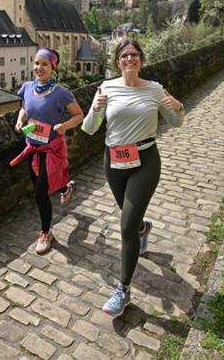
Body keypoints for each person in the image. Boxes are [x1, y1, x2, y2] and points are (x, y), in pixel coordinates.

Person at [81, 39, 185, 317]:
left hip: (145, 161)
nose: (130, 59)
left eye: (135, 55)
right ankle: (143, 229)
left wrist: (179, 106)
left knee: (125, 224)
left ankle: (123, 289)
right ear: (117, 61)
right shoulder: (106, 88)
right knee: (132, 218)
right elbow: (89, 129)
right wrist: (96, 108)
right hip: (113, 162)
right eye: (125, 55)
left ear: (141, 59)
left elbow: (176, 122)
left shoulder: (154, 89)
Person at [12, 48, 84, 255]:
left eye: (44, 64)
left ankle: (46, 233)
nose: (39, 68)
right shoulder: (26, 87)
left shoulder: (61, 93)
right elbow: (25, 108)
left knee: (40, 192)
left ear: (54, 66)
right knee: (47, 185)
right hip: (32, 148)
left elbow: (79, 114)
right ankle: (65, 189)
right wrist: (20, 120)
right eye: (36, 63)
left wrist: (64, 126)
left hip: (51, 150)